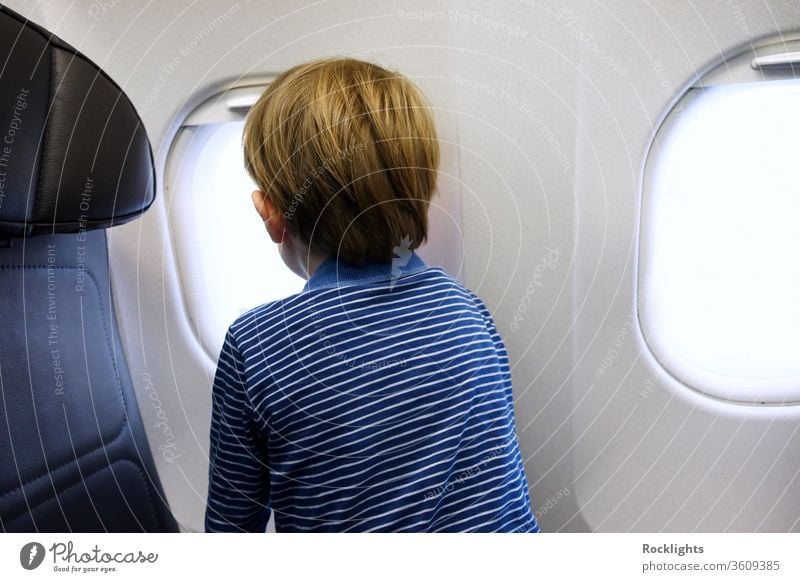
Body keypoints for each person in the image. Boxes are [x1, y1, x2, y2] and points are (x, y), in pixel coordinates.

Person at [204, 56, 538, 533]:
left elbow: (232, 531)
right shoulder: (466, 313)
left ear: (271, 213)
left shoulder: (257, 346)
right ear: (418, 191)